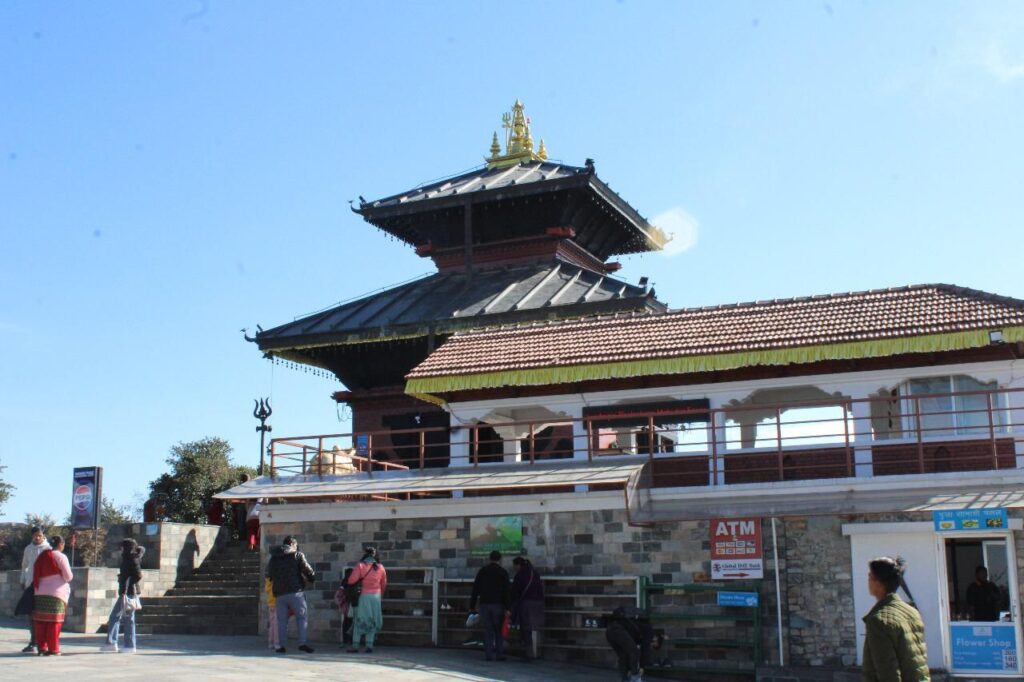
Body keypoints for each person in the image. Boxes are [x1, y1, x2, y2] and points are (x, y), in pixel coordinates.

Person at [862, 556, 930, 681]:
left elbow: (888, 671)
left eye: (869, 576)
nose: (868, 581)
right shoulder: (912, 612)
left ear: (878, 582)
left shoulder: (878, 620)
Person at [267, 535, 316, 654]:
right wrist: (311, 578)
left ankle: (281, 646)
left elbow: (270, 574)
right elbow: (308, 570)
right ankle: (302, 643)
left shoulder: (274, 557)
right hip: (296, 592)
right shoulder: (298, 555)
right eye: (296, 545)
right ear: (292, 544)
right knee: (302, 618)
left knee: (282, 621)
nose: (297, 547)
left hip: (280, 593)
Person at [100, 539, 145, 653]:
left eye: (122, 546)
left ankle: (111, 642)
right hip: (130, 592)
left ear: (126, 547)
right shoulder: (131, 557)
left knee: (114, 617)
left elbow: (138, 574)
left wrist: (127, 582)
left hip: (127, 592)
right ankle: (129, 645)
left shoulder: (131, 558)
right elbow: (142, 550)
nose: (120, 549)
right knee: (129, 619)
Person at [32, 535, 74, 656]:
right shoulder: (60, 556)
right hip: (56, 594)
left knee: (41, 621)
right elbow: (68, 576)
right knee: (54, 622)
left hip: (39, 592)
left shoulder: (42, 556)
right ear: (61, 544)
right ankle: (53, 648)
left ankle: (42, 647)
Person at [469, 550, 510, 662]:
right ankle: (499, 654)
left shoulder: (482, 571)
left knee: (488, 630)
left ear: (489, 558)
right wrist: (508, 607)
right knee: (498, 631)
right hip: (498, 605)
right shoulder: (502, 572)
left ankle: (489, 655)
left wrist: (472, 605)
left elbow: (475, 588)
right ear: (500, 559)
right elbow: (506, 591)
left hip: (484, 604)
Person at [347, 546, 387, 653]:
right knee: (372, 620)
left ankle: (355, 645)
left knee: (359, 619)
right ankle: (369, 645)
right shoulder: (381, 567)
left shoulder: (360, 566)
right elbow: (383, 584)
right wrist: (380, 595)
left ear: (365, 554)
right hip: (376, 597)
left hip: (363, 597)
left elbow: (351, 581)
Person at [605, 605, 661, 682]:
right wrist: (642, 666)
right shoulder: (649, 631)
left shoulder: (638, 628)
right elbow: (645, 649)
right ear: (656, 639)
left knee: (624, 655)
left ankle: (625, 678)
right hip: (618, 629)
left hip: (610, 631)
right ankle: (635, 677)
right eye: (653, 645)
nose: (651, 646)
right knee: (634, 651)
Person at [17, 527, 50, 654]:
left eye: (39, 535)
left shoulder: (47, 549)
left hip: (43, 586)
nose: (37, 538)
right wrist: (22, 580)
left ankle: (42, 642)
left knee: (41, 615)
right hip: (30, 585)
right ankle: (33, 641)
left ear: (43, 536)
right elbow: (24, 565)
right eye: (35, 535)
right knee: (30, 614)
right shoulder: (28, 549)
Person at [510, 556, 545, 659]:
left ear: (518, 565)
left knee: (525, 628)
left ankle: (528, 652)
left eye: (514, 566)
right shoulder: (535, 574)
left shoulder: (520, 575)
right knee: (533, 628)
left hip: (526, 605)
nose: (514, 568)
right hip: (538, 604)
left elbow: (515, 591)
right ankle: (531, 651)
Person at [334, 567, 355, 646]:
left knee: (346, 622)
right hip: (351, 604)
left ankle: (345, 640)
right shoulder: (353, 581)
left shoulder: (344, 582)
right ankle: (350, 640)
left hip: (346, 606)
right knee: (351, 622)